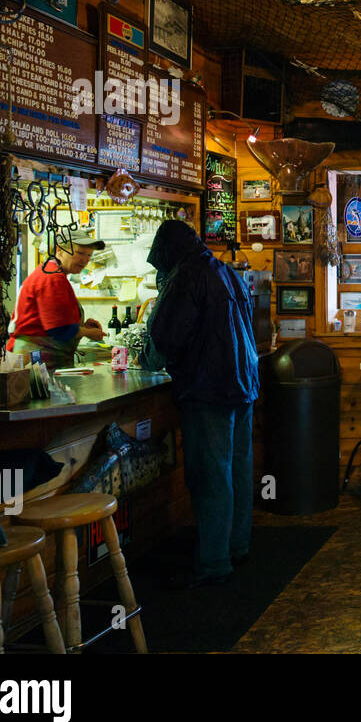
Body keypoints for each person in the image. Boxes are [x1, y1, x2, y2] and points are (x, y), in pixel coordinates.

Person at [144, 220, 260, 589]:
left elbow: (164, 340)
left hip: (209, 388)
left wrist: (144, 357)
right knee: (237, 469)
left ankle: (213, 563)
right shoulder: (226, 271)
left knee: (212, 475)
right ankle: (237, 546)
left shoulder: (184, 276)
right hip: (243, 384)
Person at [6, 236, 108, 368]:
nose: (85, 260)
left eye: (89, 255)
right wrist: (88, 333)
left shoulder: (53, 272)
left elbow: (55, 321)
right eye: (80, 253)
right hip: (36, 361)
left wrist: (82, 327)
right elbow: (59, 330)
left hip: (43, 357)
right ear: (59, 251)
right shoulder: (52, 278)